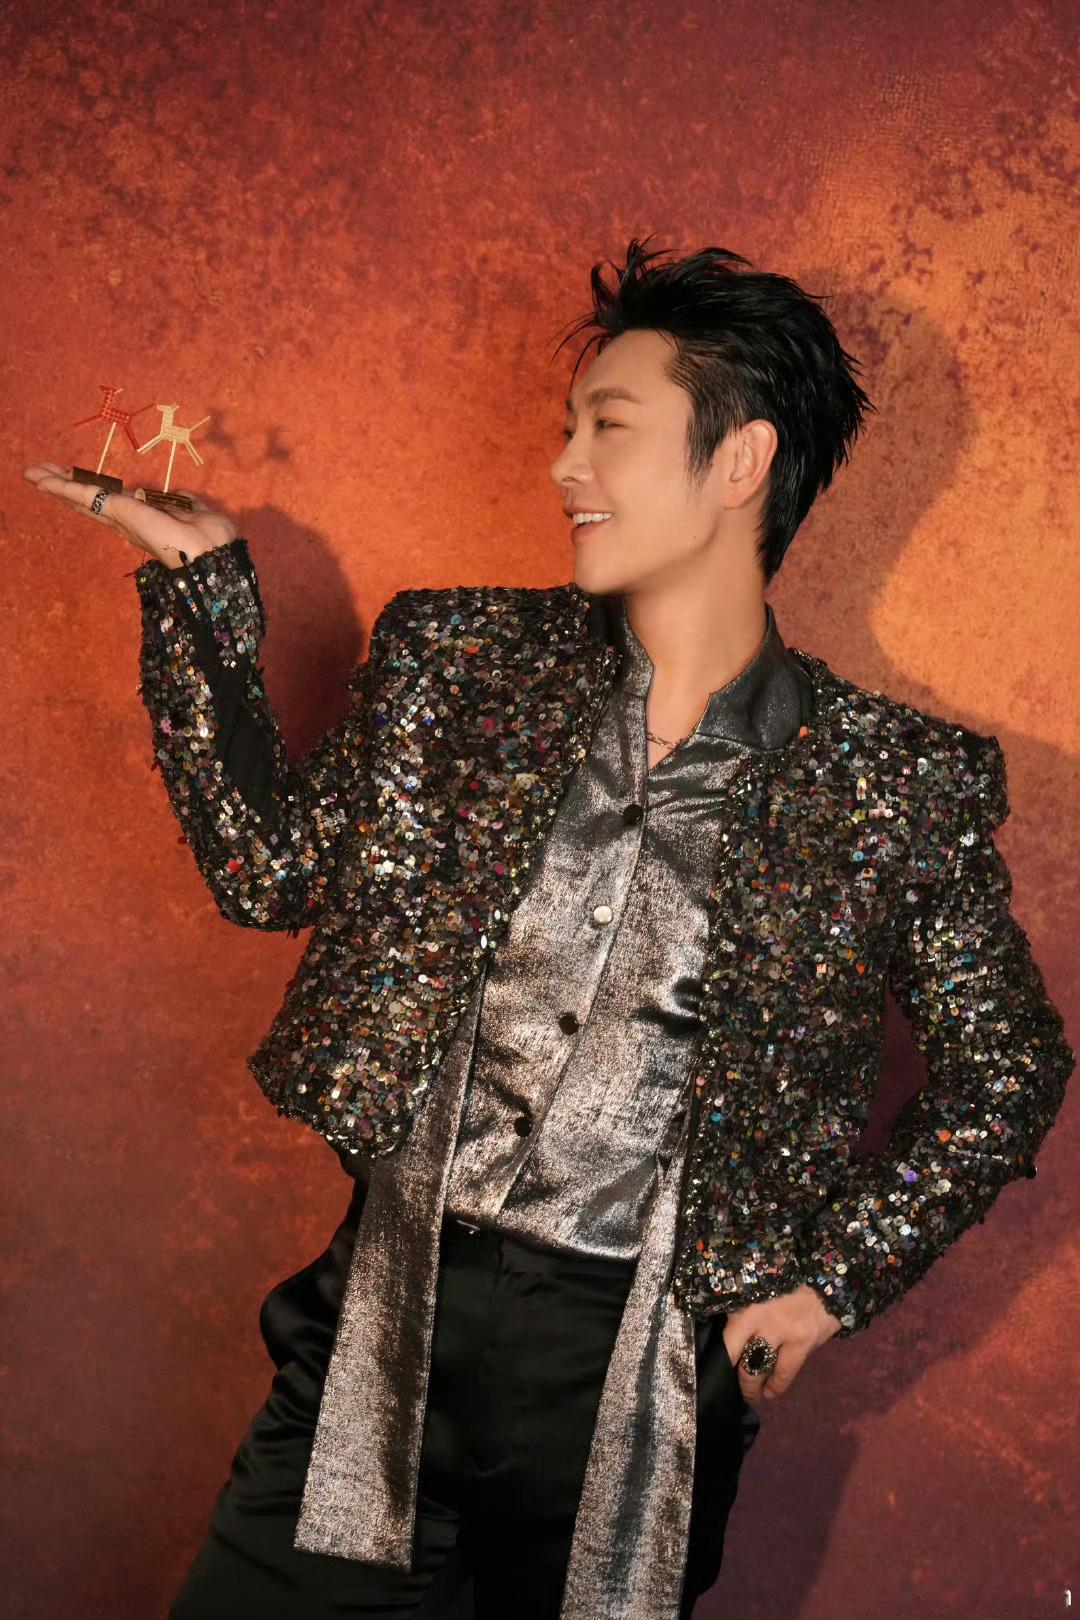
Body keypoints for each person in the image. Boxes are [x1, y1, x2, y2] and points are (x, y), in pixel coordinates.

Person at [25, 238, 1074, 1620]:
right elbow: (274, 875)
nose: (564, 465)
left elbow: (1007, 1070)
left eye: (608, 427)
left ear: (742, 460)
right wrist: (202, 595)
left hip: (633, 1385)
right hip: (381, 1324)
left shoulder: (893, 782)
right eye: (568, 427)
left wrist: (827, 1288)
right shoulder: (455, 663)